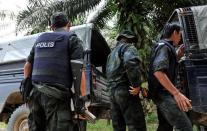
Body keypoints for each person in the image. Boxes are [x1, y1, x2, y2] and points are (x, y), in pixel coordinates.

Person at [24, 12, 83, 131]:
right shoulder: (72, 39)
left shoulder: (40, 39)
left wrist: (26, 89)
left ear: (52, 27)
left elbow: (27, 66)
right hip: (56, 97)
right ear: (69, 25)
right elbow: (78, 71)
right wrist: (81, 101)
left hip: (35, 94)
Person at [148, 23, 193, 131]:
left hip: (158, 93)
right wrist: (176, 93)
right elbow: (158, 72)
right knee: (185, 127)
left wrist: (178, 55)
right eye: (180, 35)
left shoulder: (161, 45)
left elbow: (166, 65)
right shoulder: (164, 47)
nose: (180, 37)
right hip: (163, 94)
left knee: (165, 126)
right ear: (174, 33)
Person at [106, 30, 146, 131]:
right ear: (129, 39)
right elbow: (130, 62)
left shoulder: (111, 55)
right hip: (125, 91)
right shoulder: (128, 47)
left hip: (112, 93)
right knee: (136, 125)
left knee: (118, 126)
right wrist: (136, 85)